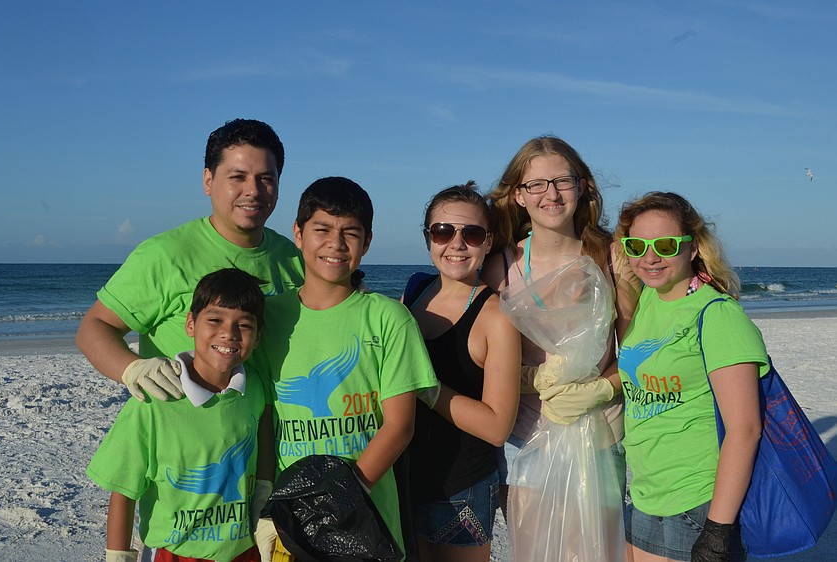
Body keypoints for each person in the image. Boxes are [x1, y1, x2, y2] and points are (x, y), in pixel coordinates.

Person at [256, 177, 439, 559]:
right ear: (298, 233)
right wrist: (268, 497)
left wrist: (339, 500)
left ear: (367, 241)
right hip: (291, 515)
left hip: (368, 516)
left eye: (350, 233)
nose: (336, 245)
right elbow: (264, 415)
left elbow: (399, 426)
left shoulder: (389, 318)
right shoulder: (270, 318)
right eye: (321, 229)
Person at [76, 118, 304, 401]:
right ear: (208, 181)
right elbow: (94, 326)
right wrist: (132, 368)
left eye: (266, 179)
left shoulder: (293, 256)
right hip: (186, 433)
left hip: (265, 433)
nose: (253, 191)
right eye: (237, 177)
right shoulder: (164, 254)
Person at [481, 135, 641, 513]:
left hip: (600, 433)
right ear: (518, 195)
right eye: (536, 184)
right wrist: (528, 378)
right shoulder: (500, 267)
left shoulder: (611, 257)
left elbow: (637, 351)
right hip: (525, 439)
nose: (550, 194)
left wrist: (601, 388)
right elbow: (480, 353)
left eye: (562, 181)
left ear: (581, 186)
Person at [615, 192, 767, 562]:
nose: (650, 257)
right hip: (647, 491)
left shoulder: (717, 315)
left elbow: (745, 429)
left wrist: (717, 531)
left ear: (693, 247)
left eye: (665, 245)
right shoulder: (650, 297)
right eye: (637, 245)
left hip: (698, 499)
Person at [87, 268, 272, 562]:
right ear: (190, 324)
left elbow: (263, 441)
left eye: (244, 325)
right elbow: (123, 491)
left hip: (244, 551)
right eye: (215, 320)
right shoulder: (153, 403)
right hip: (174, 554)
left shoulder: (255, 390)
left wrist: (265, 498)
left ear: (258, 337)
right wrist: (118, 556)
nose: (229, 333)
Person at [402, 183, 520, 561]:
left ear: (488, 243)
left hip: (460, 487)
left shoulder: (497, 316)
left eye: (471, 234)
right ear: (427, 239)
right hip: (403, 475)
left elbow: (497, 425)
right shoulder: (414, 290)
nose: (456, 244)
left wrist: (425, 386)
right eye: (442, 232)